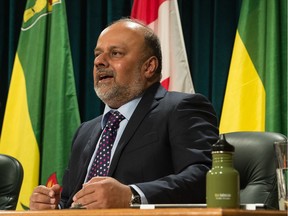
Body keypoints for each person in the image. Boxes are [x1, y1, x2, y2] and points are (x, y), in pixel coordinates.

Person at [29, 18, 219, 210]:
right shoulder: (85, 131)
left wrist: (133, 196)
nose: (99, 62)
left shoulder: (180, 108)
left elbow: (208, 176)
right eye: (97, 54)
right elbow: (72, 200)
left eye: (115, 53)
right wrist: (53, 206)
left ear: (149, 67)